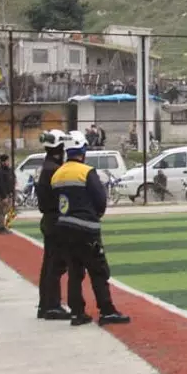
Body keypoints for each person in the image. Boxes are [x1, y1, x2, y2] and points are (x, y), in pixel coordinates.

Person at [51, 131, 130, 326]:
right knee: (98, 271)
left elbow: (55, 202)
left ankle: (77, 313)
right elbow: (100, 199)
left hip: (64, 229)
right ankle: (107, 311)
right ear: (82, 149)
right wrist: (96, 215)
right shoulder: (86, 171)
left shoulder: (57, 174)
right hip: (86, 229)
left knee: (74, 272)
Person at [36, 130, 71, 320]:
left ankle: (46, 305)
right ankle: (52, 305)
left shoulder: (47, 166)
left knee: (49, 264)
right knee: (55, 265)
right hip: (55, 220)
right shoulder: (55, 170)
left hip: (49, 219)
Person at [0, 154, 15, 233]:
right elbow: (0, 185)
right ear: (3, 162)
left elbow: (12, 180)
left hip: (9, 194)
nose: (8, 162)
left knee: (6, 211)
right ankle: (0, 228)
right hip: (3, 195)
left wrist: (12, 192)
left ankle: (4, 226)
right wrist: (4, 197)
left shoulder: (9, 170)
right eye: (7, 161)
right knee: (1, 212)